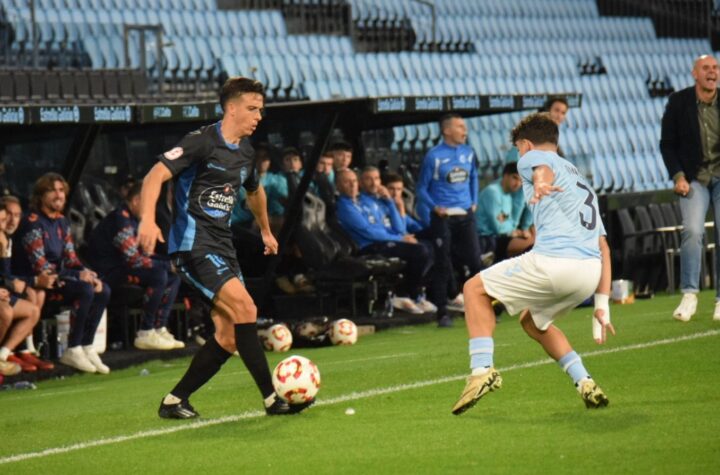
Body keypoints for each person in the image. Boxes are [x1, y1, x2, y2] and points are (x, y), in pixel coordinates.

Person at [138, 77, 312, 419]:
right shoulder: (201, 142)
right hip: (193, 246)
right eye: (252, 108)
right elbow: (154, 176)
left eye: (260, 109)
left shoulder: (245, 152)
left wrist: (264, 230)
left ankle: (174, 401)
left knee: (230, 335)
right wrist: (147, 219)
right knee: (246, 309)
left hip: (222, 247)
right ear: (230, 108)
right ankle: (272, 398)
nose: (258, 116)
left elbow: (255, 191)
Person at [451, 113, 615, 415]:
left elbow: (541, 168)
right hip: (589, 274)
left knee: (473, 289)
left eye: (517, 150)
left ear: (525, 144)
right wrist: (601, 304)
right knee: (532, 322)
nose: (518, 156)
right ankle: (585, 382)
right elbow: (604, 246)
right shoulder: (581, 182)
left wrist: (539, 182)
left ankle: (480, 371)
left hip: (555, 262)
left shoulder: (533, 157)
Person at [13, 173, 111, 374]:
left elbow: (71, 258)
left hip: (60, 279)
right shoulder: (32, 223)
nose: (58, 195)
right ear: (40, 196)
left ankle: (86, 345)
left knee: (103, 289)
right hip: (38, 286)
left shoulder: (62, 221)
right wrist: (77, 277)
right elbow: (41, 267)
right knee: (84, 289)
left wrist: (86, 272)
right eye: (52, 191)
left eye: (61, 190)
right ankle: (72, 348)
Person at [88, 181, 183, 351]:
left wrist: (168, 265)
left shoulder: (135, 219)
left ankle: (159, 328)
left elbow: (143, 255)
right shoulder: (121, 218)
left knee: (173, 277)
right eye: (149, 203)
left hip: (124, 267)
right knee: (160, 274)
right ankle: (145, 332)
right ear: (137, 200)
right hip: (107, 272)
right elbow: (133, 259)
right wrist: (167, 265)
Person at [660, 54, 720, 322]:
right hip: (694, 178)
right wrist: (678, 176)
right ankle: (690, 294)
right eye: (706, 68)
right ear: (695, 73)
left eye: (715, 68)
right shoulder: (678, 102)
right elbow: (667, 144)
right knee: (693, 230)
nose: (712, 72)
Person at [416, 113, 482, 327]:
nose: (465, 130)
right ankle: (442, 312)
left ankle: (483, 308)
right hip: (443, 218)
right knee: (443, 263)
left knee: (475, 261)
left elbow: (473, 177)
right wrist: (435, 207)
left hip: (465, 215)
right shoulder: (433, 156)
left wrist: (474, 201)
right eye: (460, 126)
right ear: (447, 130)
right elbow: (421, 189)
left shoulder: (468, 152)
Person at [336, 168, 431, 314]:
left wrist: (391, 203)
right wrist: (400, 239)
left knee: (429, 247)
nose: (352, 185)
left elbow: (399, 228)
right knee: (419, 251)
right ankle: (405, 294)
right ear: (338, 186)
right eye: (347, 182)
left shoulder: (365, 202)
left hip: (383, 242)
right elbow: (369, 232)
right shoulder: (345, 207)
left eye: (354, 181)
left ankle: (414, 295)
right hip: (369, 246)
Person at [1, 195, 54, 371]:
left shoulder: (8, 239)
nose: (10, 220)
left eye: (16, 215)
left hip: (6, 289)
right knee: (7, 311)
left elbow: (7, 275)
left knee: (35, 297)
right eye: (7, 215)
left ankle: (20, 351)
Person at [475, 162, 534, 262]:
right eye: (515, 178)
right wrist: (515, 232)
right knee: (531, 244)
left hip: (499, 236)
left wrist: (517, 231)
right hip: (487, 239)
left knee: (536, 239)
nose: (518, 184)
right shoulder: (493, 192)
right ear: (505, 176)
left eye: (521, 181)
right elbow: (498, 227)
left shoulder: (508, 195)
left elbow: (508, 220)